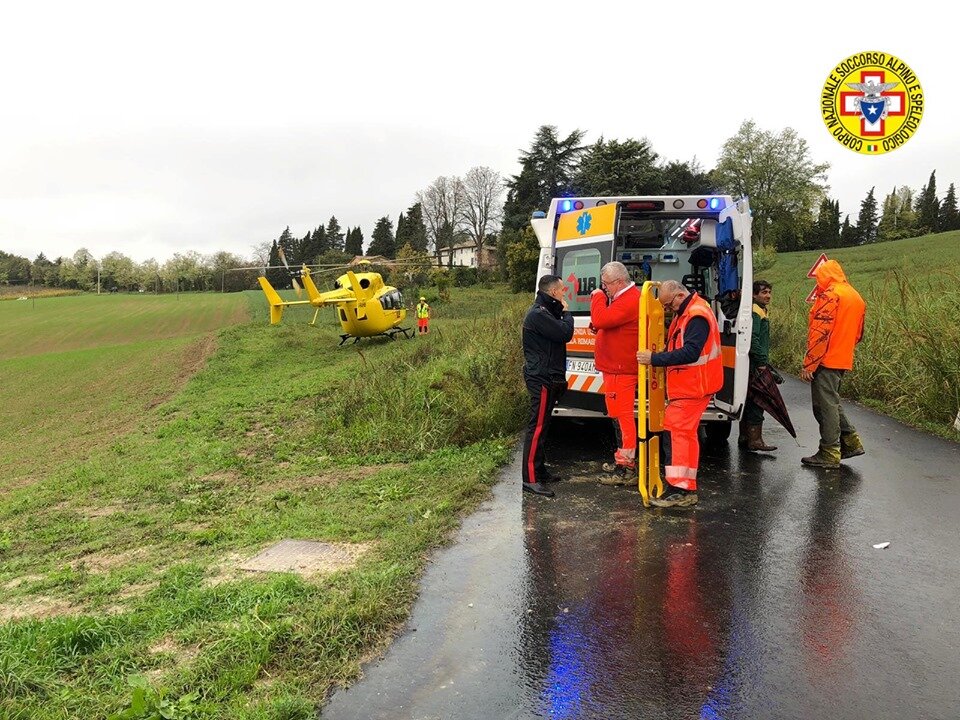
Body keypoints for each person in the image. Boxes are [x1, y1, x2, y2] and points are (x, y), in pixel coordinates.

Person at [637, 280, 723, 508]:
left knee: (677, 434)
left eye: (668, 305)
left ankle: (680, 489)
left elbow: (690, 352)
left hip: (693, 387)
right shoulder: (689, 312)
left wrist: (654, 359)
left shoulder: (695, 315)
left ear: (679, 296)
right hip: (691, 386)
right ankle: (684, 487)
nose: (667, 310)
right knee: (684, 435)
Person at [799, 259, 866, 468]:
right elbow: (858, 334)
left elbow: (820, 333)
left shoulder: (830, 295)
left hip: (826, 359)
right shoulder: (855, 296)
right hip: (843, 358)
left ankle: (829, 452)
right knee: (832, 403)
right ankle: (851, 443)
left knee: (823, 407)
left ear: (824, 276)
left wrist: (810, 364)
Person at [522, 275, 574, 497]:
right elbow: (564, 333)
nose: (564, 293)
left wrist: (560, 310)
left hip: (548, 376)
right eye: (562, 290)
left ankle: (539, 470)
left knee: (543, 427)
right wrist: (567, 312)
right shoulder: (538, 314)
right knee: (537, 428)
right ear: (553, 292)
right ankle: (530, 479)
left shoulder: (546, 312)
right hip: (541, 378)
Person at [590, 261, 641, 485]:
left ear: (619, 282)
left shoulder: (629, 299)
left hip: (621, 370)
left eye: (606, 284)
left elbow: (601, 318)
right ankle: (622, 460)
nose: (604, 288)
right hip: (615, 368)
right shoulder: (624, 298)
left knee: (622, 416)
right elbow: (605, 322)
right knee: (617, 415)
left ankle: (626, 468)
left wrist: (596, 297)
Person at [739, 280, 777, 452]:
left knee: (749, 399)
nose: (768, 296)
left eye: (769, 292)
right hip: (755, 364)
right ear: (754, 295)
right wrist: (762, 362)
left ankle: (745, 437)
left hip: (753, 363)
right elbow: (753, 339)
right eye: (763, 292)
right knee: (757, 400)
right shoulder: (755, 311)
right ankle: (755, 440)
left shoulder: (759, 310)